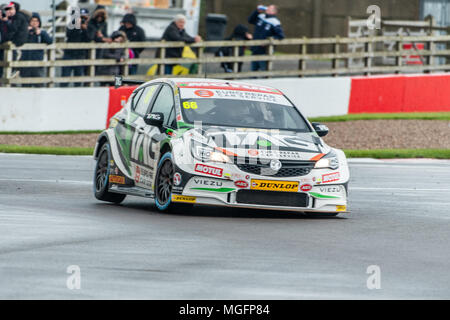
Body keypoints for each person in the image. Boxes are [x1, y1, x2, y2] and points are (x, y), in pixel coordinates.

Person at [248, 4, 284, 71]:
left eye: (270, 8)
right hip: (255, 49)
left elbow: (280, 36)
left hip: (264, 51)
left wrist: (267, 42)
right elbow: (250, 20)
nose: (267, 9)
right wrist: (257, 11)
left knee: (264, 71)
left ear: (274, 12)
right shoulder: (261, 16)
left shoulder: (275, 22)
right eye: (268, 7)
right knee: (253, 71)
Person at [20, 12, 52, 87]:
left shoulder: (42, 33)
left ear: (39, 22)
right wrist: (26, 31)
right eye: (32, 21)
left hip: (37, 64)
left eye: (36, 21)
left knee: (39, 86)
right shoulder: (25, 32)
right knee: (25, 87)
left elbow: (50, 41)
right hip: (25, 64)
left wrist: (41, 33)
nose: (34, 23)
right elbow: (19, 40)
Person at [61, 8, 90, 87]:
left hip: (80, 55)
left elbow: (89, 39)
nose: (83, 19)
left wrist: (85, 29)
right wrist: (77, 26)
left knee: (78, 79)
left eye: (85, 17)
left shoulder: (89, 26)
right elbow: (69, 35)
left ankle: (78, 95)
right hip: (69, 54)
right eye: (81, 17)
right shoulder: (72, 24)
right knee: (65, 78)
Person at [0, 3, 16, 78]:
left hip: (8, 48)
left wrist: (6, 21)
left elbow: (14, 31)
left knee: (9, 71)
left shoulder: (13, 21)